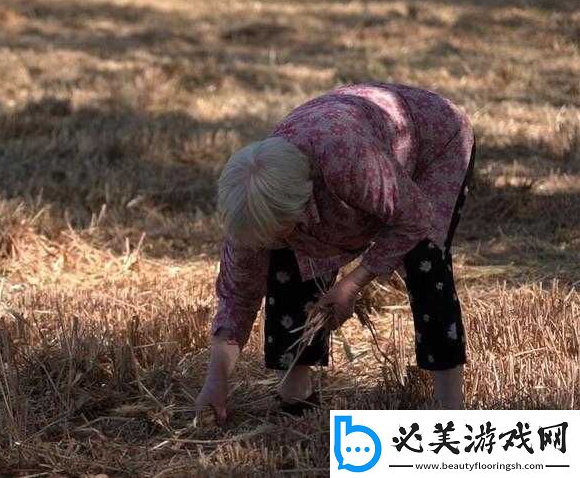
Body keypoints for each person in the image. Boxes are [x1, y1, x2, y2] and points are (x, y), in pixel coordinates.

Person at [195, 82, 476, 422]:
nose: (268, 243)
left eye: (282, 230)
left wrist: (352, 284)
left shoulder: (348, 164)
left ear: (302, 207)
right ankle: (296, 394)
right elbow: (237, 296)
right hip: (349, 139)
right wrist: (216, 381)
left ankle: (450, 409)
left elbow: (414, 218)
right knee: (288, 261)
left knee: (425, 261)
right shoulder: (253, 206)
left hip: (431, 140)